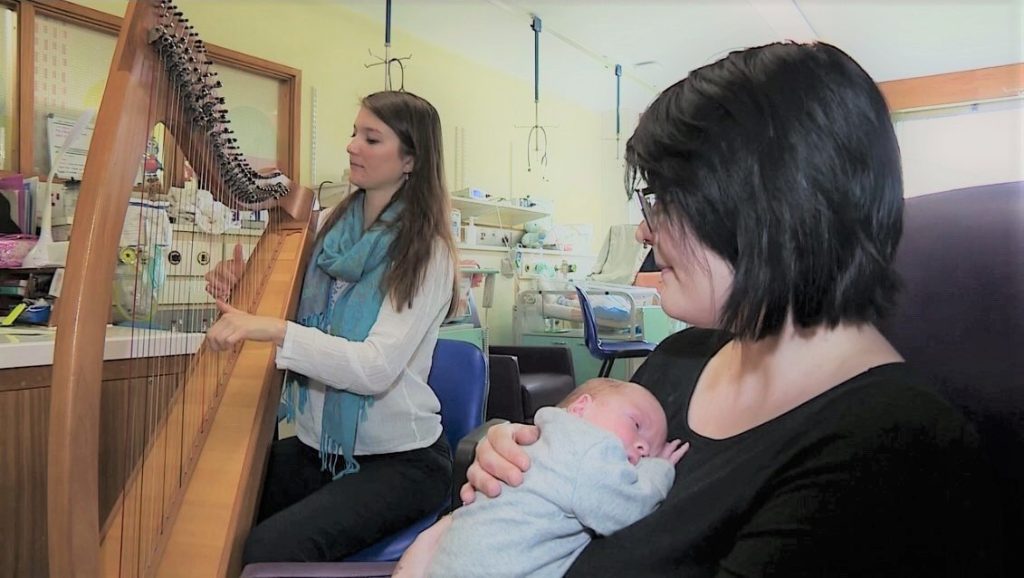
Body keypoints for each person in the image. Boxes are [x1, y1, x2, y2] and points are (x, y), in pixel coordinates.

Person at [449, 42, 1001, 576]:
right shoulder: (678, 360)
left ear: (765, 208)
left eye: (665, 200)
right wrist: (520, 471)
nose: (645, 227)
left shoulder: (890, 443)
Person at [203, 90, 460, 563]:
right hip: (316, 449)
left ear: (411, 159)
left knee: (269, 548)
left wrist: (275, 330)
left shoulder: (427, 254)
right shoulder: (325, 231)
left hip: (400, 462)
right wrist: (240, 284)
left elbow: (374, 368)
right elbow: (284, 304)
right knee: (209, 506)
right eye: (354, 133)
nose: (351, 146)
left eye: (371, 138)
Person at [397, 378, 688, 578]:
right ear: (581, 408)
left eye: (649, 450)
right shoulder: (588, 449)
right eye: (636, 424)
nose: (642, 446)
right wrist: (658, 468)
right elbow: (627, 508)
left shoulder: (543, 441)